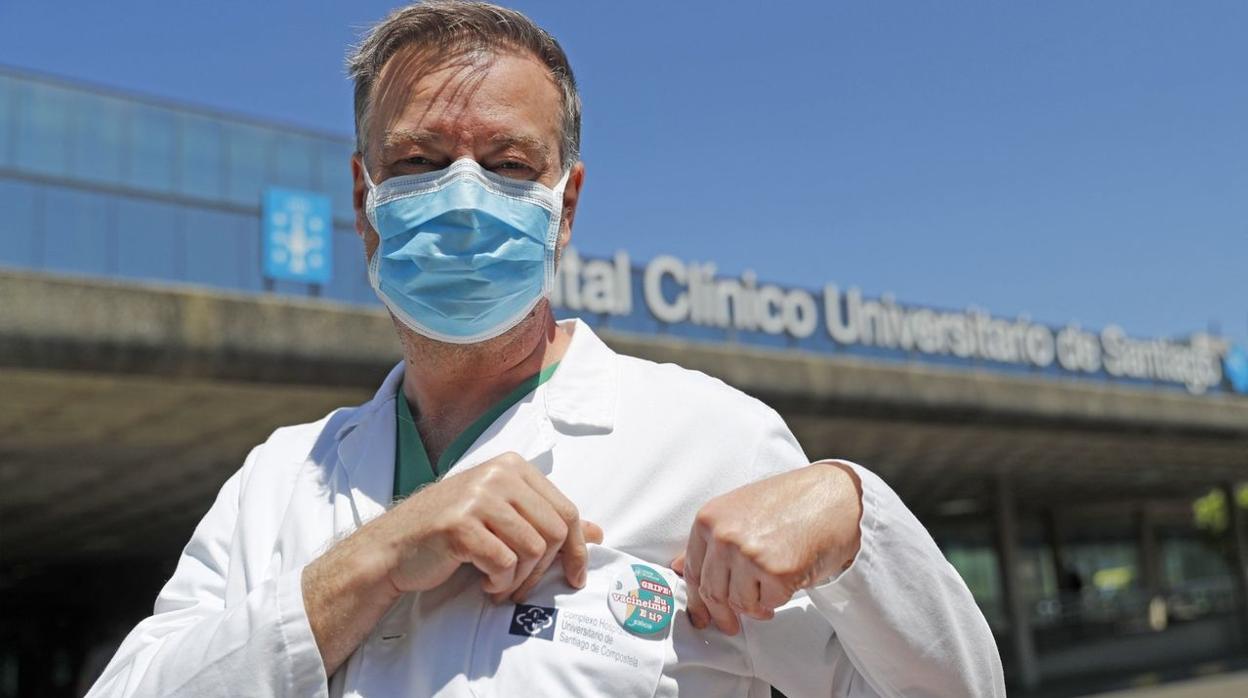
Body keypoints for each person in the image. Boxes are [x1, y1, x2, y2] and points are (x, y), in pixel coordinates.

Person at [86, 2, 1004, 696]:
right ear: (365, 205)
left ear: (564, 207)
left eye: (509, 164)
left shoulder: (710, 439)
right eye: (417, 162)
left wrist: (855, 518)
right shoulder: (275, 483)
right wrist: (370, 560)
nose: (461, 195)